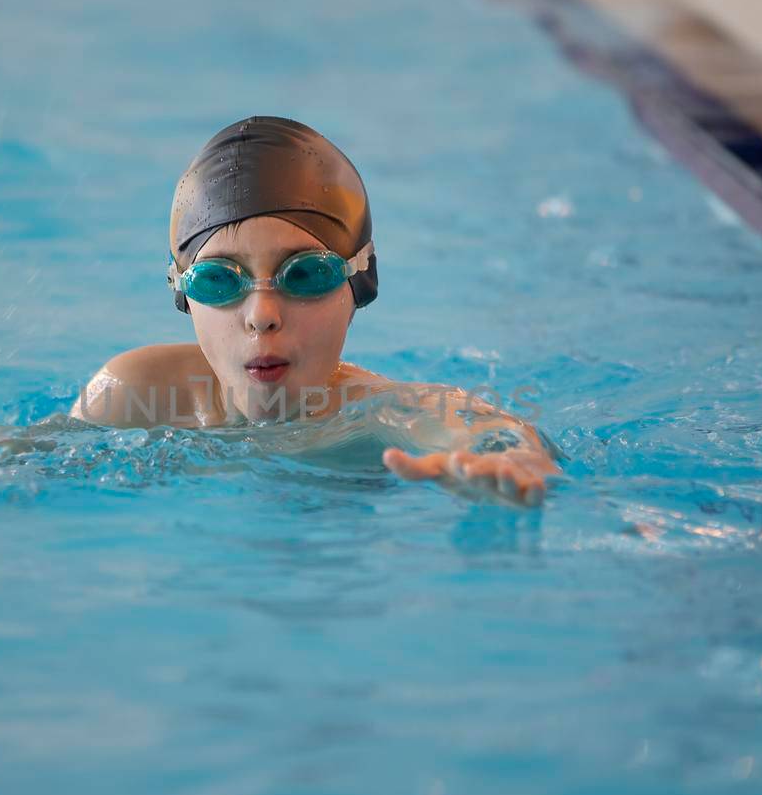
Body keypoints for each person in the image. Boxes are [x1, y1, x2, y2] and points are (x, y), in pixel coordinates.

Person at [68, 116, 560, 506]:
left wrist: (517, 463)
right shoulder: (130, 397)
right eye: (219, 280)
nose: (262, 315)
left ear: (359, 283)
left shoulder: (381, 419)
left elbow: (493, 433)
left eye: (305, 275)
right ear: (183, 294)